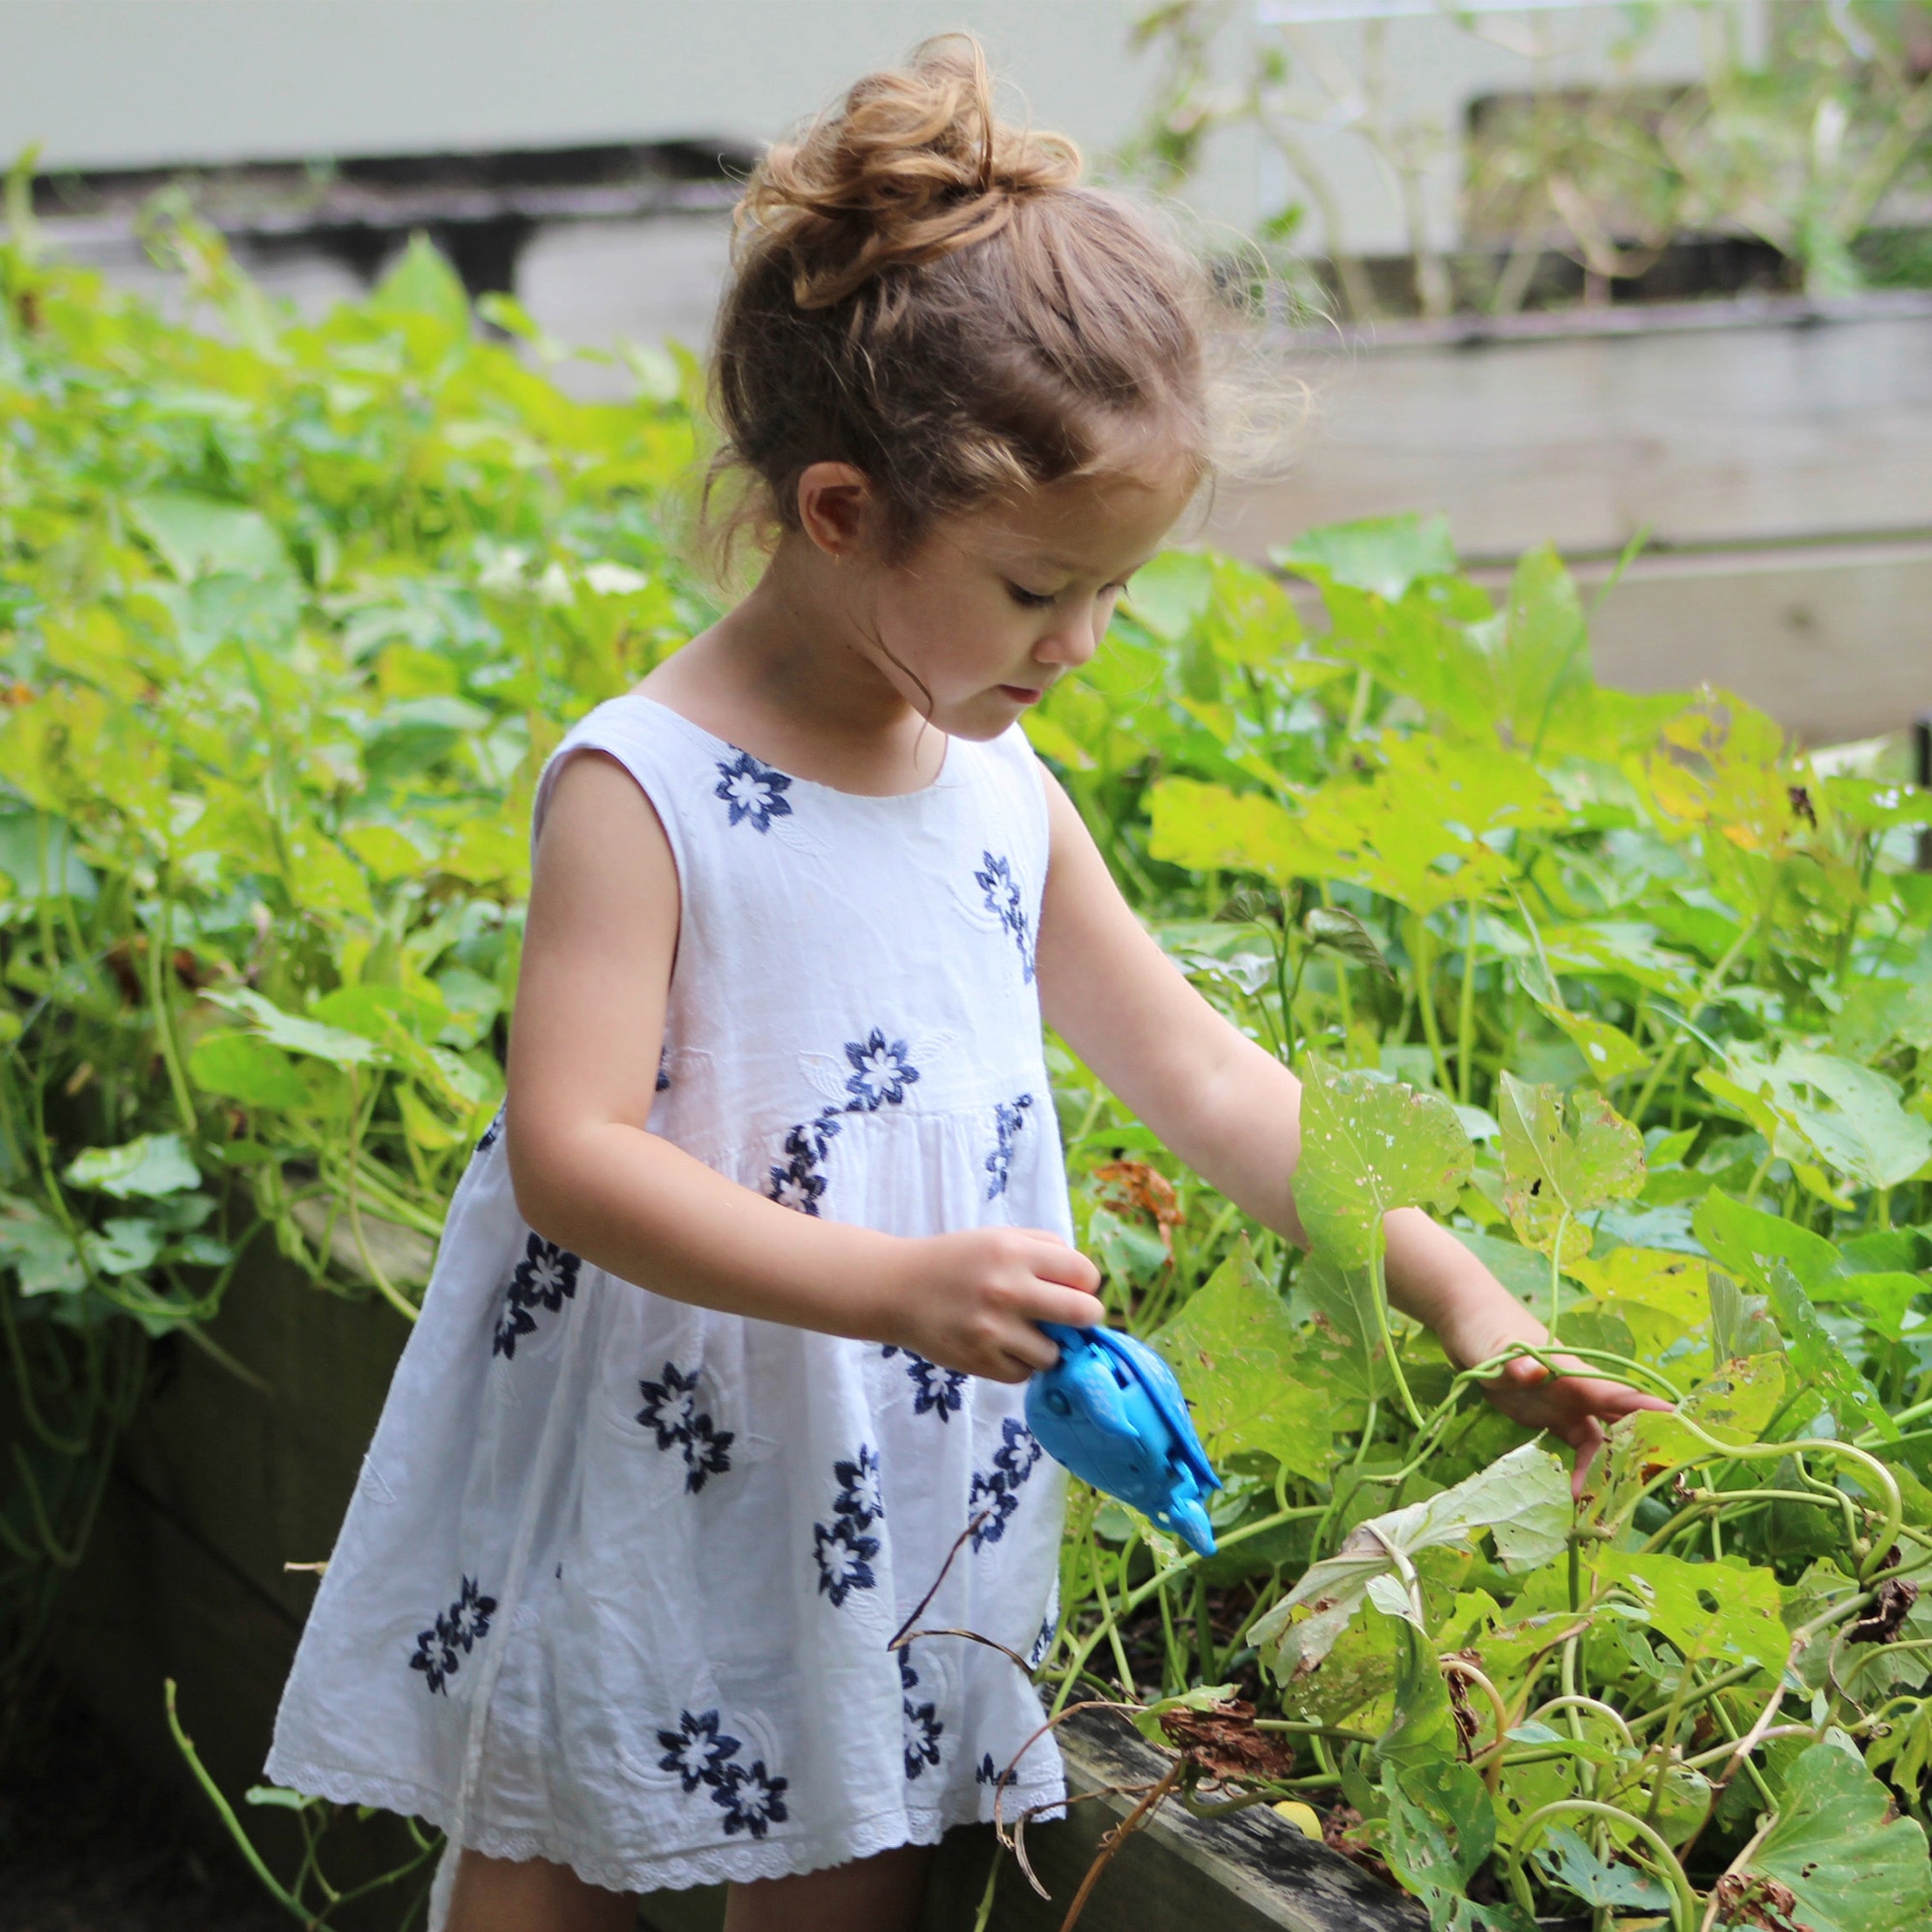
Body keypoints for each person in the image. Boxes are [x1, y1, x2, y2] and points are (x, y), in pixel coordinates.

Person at [265, 36, 1664, 1932]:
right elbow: (572, 1151)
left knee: (856, 1855)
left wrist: (1456, 1291)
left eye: (1111, 590)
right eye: (1033, 589)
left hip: (893, 1469)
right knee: (552, 1844)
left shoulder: (997, 792)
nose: (1079, 642)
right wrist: (891, 1283)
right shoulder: (647, 786)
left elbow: (1211, 1080)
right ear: (839, 511)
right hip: (657, 1438)